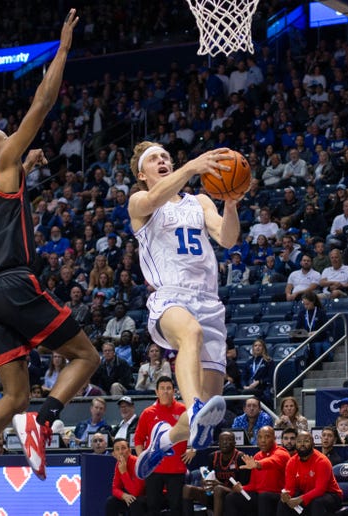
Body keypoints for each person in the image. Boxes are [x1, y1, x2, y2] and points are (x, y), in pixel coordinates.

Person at [0, 11, 101, 502]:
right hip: (15, 282)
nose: (15, 143)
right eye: (9, 140)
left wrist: (29, 164)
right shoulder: (1, 160)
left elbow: (8, 200)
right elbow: (42, 103)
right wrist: (61, 50)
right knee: (86, 355)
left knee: (14, 392)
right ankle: (43, 423)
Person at [128, 138, 241, 479]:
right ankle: (192, 409)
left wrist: (231, 204)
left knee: (213, 404)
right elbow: (151, 198)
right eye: (154, 159)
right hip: (170, 296)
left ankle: (167, 437)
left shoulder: (200, 200)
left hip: (209, 302)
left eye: (166, 157)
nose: (163, 160)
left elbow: (227, 238)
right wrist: (193, 166)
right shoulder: (140, 202)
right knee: (189, 334)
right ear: (142, 174)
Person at [134, 376, 188, 515]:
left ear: (174, 391)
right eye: (162, 389)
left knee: (176, 507)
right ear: (156, 392)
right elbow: (138, 439)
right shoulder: (148, 413)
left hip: (176, 469)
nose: (166, 392)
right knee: (152, 506)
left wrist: (192, 449)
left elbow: (196, 431)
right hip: (154, 469)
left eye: (169, 388)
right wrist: (143, 458)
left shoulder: (183, 410)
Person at [225, 426, 289, 516]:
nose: (263, 440)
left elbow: (272, 461)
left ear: (274, 439)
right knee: (231, 497)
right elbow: (254, 485)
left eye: (267, 437)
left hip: (279, 496)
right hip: (259, 496)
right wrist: (242, 488)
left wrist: (257, 464)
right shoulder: (257, 456)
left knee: (264, 497)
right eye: (260, 437)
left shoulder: (282, 453)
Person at [183, 430, 250, 516]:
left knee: (218, 488)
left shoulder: (241, 458)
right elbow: (209, 476)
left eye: (228, 440)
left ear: (234, 442)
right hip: (214, 494)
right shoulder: (213, 456)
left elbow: (243, 487)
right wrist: (205, 481)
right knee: (187, 489)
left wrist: (221, 484)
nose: (225, 442)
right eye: (222, 440)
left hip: (234, 496)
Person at [277, 430, 343, 515]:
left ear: (313, 444)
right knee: (283, 503)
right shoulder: (291, 462)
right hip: (307, 493)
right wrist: (286, 496)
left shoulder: (322, 461)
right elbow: (290, 488)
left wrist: (300, 499)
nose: (302, 444)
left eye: (306, 441)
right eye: (299, 441)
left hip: (331, 495)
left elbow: (320, 490)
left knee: (316, 502)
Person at [105, 438, 147, 516]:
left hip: (146, 495)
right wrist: (123, 495)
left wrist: (124, 472)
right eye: (117, 449)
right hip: (132, 495)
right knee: (111, 502)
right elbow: (115, 489)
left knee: (134, 502)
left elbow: (136, 492)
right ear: (114, 454)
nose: (121, 452)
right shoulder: (119, 464)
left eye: (123, 448)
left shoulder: (137, 463)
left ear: (130, 451)